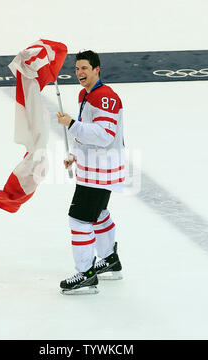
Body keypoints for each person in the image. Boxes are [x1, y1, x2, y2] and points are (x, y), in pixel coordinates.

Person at [57, 50, 125, 295]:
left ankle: (85, 273)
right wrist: (75, 154)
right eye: (76, 69)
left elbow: (104, 135)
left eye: (84, 68)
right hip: (94, 168)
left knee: (79, 218)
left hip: (100, 170)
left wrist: (72, 124)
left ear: (97, 69)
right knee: (98, 213)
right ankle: (109, 260)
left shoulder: (105, 97)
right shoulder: (85, 94)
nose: (79, 73)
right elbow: (88, 132)